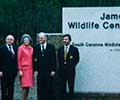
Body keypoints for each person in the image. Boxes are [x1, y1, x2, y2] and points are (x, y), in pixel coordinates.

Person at [33, 32, 56, 100]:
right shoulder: (36, 47)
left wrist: (53, 70)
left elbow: (54, 59)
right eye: (39, 38)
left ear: (45, 38)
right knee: (40, 88)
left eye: (41, 38)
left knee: (49, 88)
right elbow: (34, 60)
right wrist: (35, 70)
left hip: (49, 71)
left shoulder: (51, 47)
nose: (40, 39)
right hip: (39, 72)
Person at [58, 34, 80, 100]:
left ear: (69, 40)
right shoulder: (60, 49)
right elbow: (59, 59)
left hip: (70, 71)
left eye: (66, 39)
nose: (65, 41)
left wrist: (71, 66)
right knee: (62, 87)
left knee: (71, 86)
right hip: (62, 71)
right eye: (64, 39)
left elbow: (77, 59)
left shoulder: (74, 49)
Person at [0, 34, 18, 100]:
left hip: (12, 72)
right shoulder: (2, 48)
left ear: (13, 41)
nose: (10, 41)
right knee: (4, 88)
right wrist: (0, 71)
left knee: (11, 87)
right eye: (8, 39)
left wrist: (16, 71)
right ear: (6, 40)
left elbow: (16, 60)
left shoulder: (15, 48)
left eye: (11, 40)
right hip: (4, 72)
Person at [17, 34, 34, 100]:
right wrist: (20, 70)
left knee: (28, 86)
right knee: (24, 86)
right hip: (24, 70)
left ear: (29, 40)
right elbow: (19, 59)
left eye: (27, 40)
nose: (26, 41)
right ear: (23, 41)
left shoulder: (31, 48)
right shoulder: (20, 48)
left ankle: (26, 98)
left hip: (30, 69)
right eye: (25, 40)